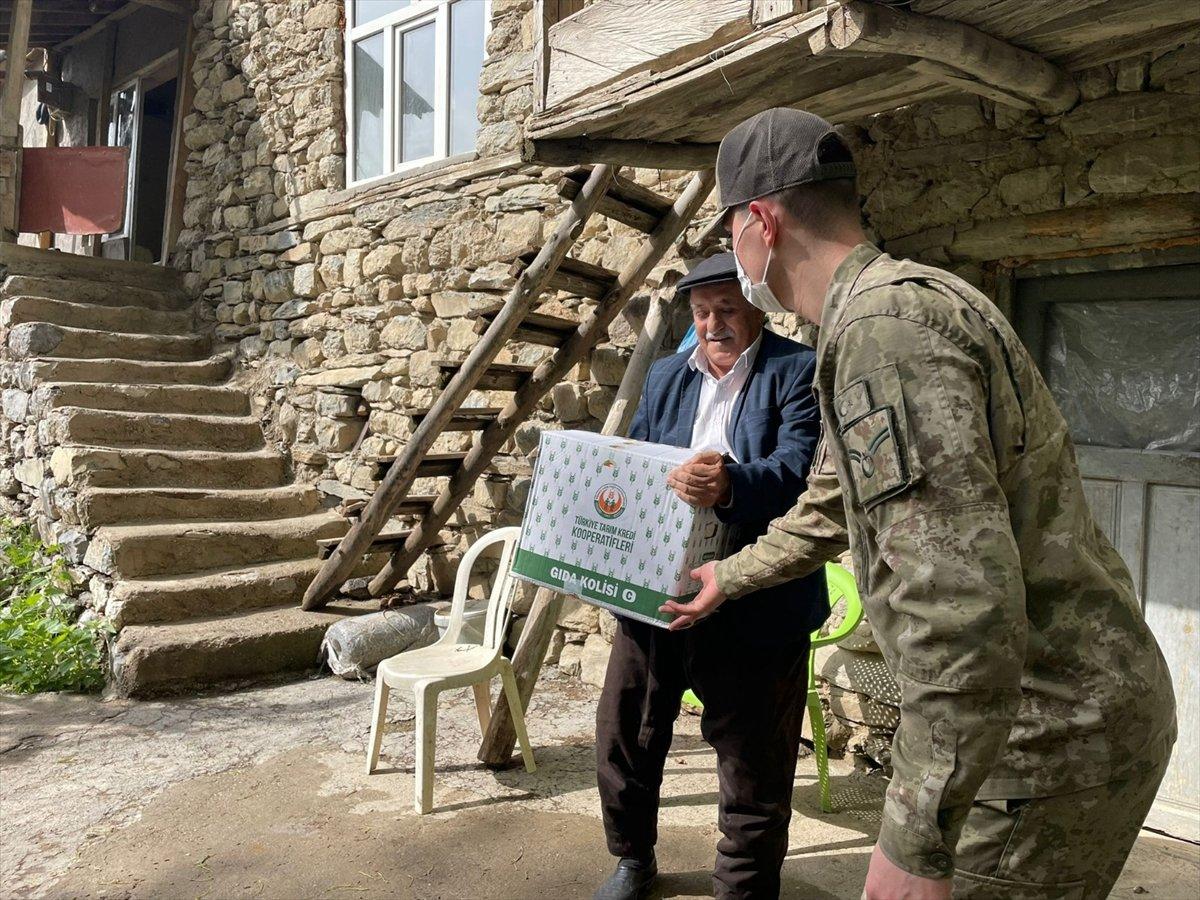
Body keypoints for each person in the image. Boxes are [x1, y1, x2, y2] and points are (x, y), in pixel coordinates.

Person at [662, 107, 1178, 900]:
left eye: (732, 228)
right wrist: (726, 578)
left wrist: (914, 835)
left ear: (761, 222)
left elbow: (958, 606)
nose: (734, 251)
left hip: (1039, 743)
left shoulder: (885, 334)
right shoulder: (880, 317)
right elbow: (832, 501)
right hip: (1041, 725)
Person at [594, 252, 828, 900]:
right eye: (701, 313)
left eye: (725, 309)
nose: (712, 324)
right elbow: (638, 460)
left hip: (756, 596)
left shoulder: (796, 371)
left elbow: (801, 473)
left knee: (753, 760)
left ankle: (745, 890)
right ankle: (633, 859)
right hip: (660, 588)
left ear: (757, 307)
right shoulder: (668, 374)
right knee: (625, 734)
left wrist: (730, 481)